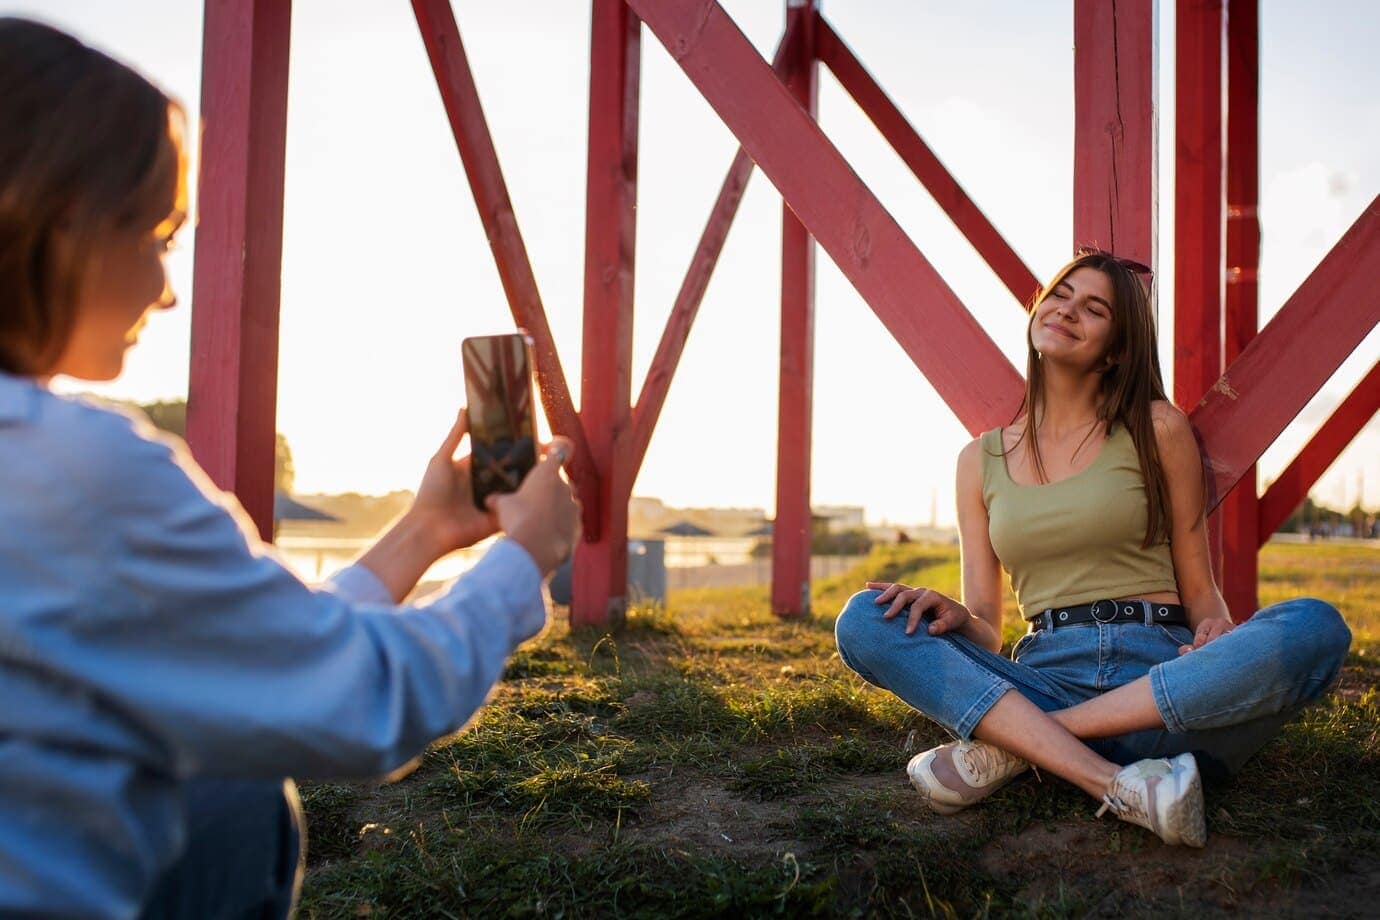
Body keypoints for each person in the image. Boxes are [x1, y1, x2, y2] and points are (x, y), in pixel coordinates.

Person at [0, 18, 578, 917]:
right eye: (156, 233)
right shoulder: (72, 470)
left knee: (223, 782)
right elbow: (364, 700)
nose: (166, 286)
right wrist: (523, 557)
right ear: (61, 218)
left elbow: (258, 651)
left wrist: (424, 533)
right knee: (236, 788)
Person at [834, 248, 1351, 848]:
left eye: (1094, 307)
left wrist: (1215, 630)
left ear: (1117, 350)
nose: (1068, 310)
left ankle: (1020, 750)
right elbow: (987, 627)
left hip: (1162, 685)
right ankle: (1111, 779)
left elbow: (1200, 590)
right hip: (1042, 676)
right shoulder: (979, 461)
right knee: (865, 621)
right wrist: (951, 613)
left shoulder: (1158, 429)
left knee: (1316, 628)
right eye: (1060, 294)